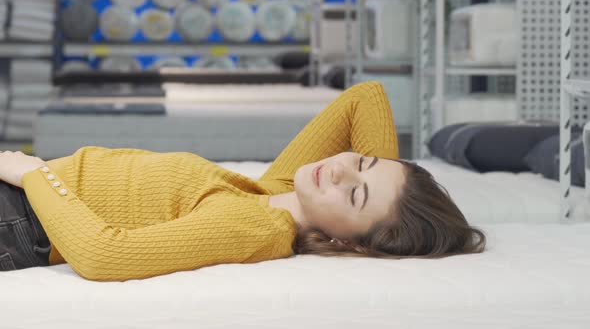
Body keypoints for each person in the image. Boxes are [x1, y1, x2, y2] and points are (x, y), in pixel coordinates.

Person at [0, 81, 485, 281]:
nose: (339, 169)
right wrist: (383, 184)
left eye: (354, 193)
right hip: (23, 197)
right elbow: (364, 97)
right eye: (360, 160)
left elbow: (106, 257)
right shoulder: (278, 194)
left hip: (21, 218)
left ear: (348, 243)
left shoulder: (256, 228)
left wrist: (34, 173)